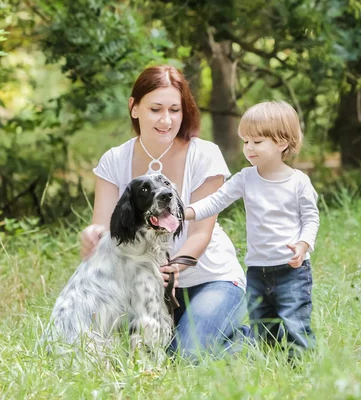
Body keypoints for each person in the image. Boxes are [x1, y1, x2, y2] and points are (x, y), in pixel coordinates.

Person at [80, 65, 248, 361]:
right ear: (134, 108)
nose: (166, 120)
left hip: (211, 281)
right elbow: (105, 230)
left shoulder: (204, 154)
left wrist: (172, 269)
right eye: (156, 109)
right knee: (125, 351)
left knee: (184, 356)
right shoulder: (114, 161)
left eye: (175, 109)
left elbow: (201, 234)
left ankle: (258, 338)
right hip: (143, 288)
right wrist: (93, 237)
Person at [183, 101, 320, 357]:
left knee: (293, 322)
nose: (249, 148)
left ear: (282, 142)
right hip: (257, 269)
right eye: (246, 141)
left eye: (257, 141)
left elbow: (311, 218)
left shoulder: (298, 182)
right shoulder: (246, 178)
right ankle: (270, 366)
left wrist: (303, 245)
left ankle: (301, 369)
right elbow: (216, 201)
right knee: (262, 325)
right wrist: (186, 212)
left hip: (292, 270)